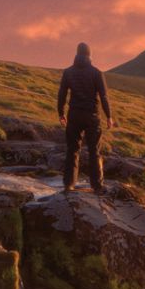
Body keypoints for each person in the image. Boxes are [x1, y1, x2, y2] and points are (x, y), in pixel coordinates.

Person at [57, 42, 112, 193]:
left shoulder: (68, 72)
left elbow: (62, 94)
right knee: (94, 150)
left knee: (72, 150)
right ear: (89, 54)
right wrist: (109, 116)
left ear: (77, 54)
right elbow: (104, 96)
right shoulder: (96, 73)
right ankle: (98, 186)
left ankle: (69, 185)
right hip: (92, 116)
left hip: (74, 115)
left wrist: (61, 113)